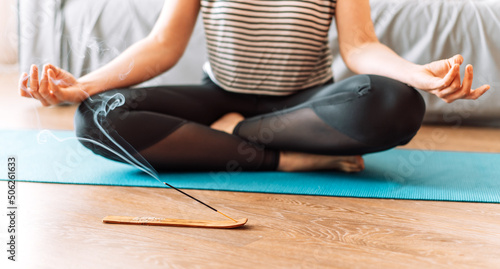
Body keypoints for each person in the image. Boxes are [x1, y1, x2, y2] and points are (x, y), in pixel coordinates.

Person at [19, 0, 490, 172]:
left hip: (305, 102)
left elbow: (362, 46)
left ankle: (245, 133)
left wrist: (419, 76)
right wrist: (82, 86)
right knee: (97, 116)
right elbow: (162, 44)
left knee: (398, 104)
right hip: (219, 91)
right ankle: (280, 156)